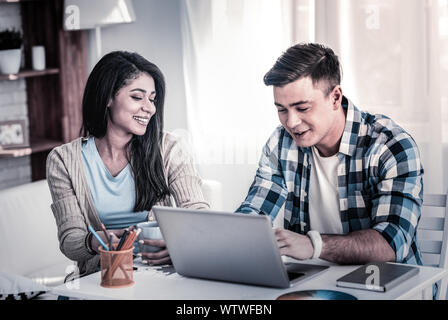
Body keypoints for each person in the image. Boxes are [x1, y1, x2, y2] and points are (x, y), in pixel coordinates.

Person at [236, 43, 424, 266]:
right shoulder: (280, 143)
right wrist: (230, 236)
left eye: (302, 108)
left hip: (386, 287)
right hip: (312, 284)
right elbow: (254, 212)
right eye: (281, 109)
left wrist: (313, 245)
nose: (291, 122)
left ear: (335, 97)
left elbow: (390, 244)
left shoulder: (390, 146)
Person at [46, 51, 209, 277]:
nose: (150, 108)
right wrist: (95, 241)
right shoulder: (63, 160)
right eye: (137, 97)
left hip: (163, 275)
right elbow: (70, 241)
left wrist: (177, 245)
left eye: (152, 98)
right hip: (101, 279)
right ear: (107, 97)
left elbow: (198, 214)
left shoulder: (170, 149)